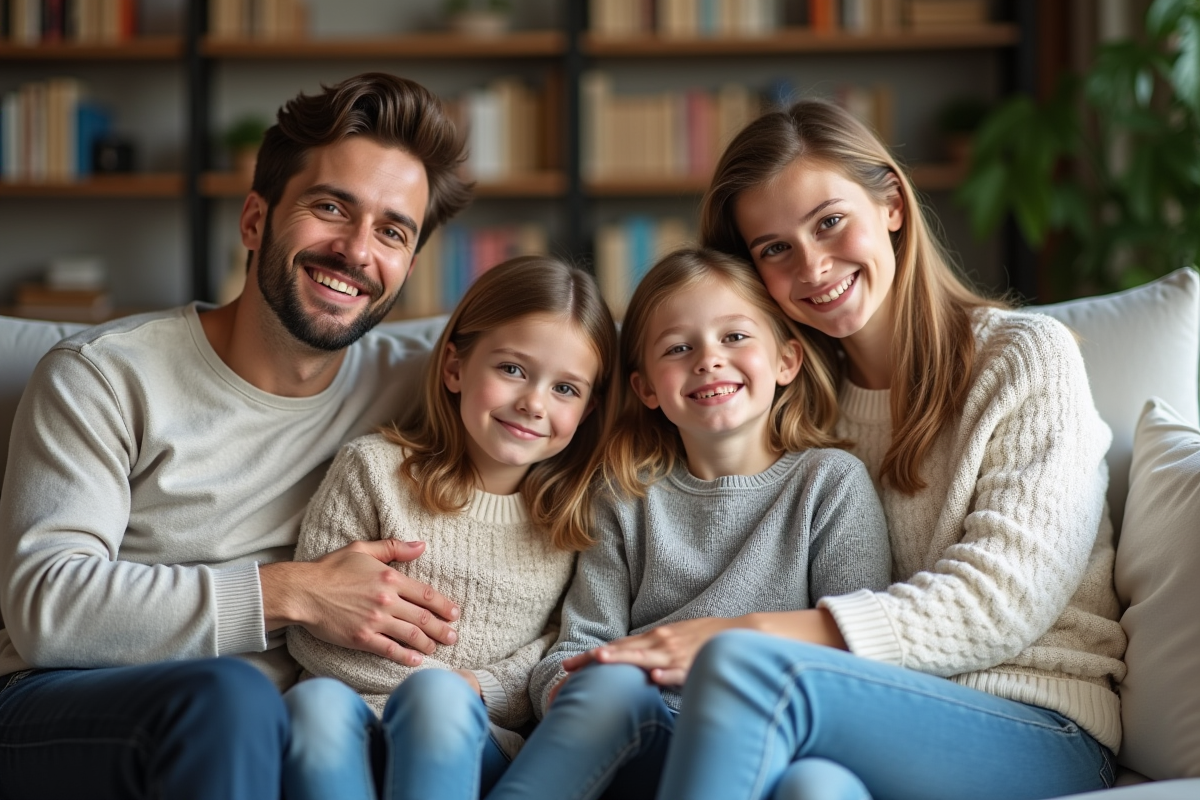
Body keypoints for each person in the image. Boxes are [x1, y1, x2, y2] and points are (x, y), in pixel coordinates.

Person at [0, 72, 472, 800]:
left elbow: (616, 364)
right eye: (329, 207)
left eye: (391, 231)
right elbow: (47, 610)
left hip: (285, 730)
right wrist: (298, 593)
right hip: (73, 702)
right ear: (255, 221)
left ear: (408, 267)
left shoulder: (426, 382)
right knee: (233, 700)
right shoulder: (102, 376)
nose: (354, 250)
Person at [648, 99, 1126, 800]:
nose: (812, 266)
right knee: (812, 789)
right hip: (868, 711)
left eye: (829, 222)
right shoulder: (784, 397)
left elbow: (1000, 601)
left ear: (893, 205)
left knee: (748, 669)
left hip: (1041, 723)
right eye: (775, 248)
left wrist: (747, 633)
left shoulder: (1022, 357)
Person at [485, 247, 892, 800]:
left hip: (770, 737)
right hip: (643, 735)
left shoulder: (829, 484)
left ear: (786, 361)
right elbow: (579, 643)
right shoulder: (624, 496)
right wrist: (572, 687)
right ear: (647, 389)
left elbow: (858, 655)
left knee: (820, 788)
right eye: (679, 348)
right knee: (609, 686)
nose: (708, 360)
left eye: (735, 337)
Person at [281, 255, 619, 800]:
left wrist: (478, 686)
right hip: (348, 719)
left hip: (474, 739)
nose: (533, 403)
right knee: (309, 704)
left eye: (565, 389)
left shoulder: (577, 514)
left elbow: (565, 641)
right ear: (455, 368)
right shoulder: (373, 471)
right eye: (512, 369)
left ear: (587, 409)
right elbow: (310, 626)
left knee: (437, 698)